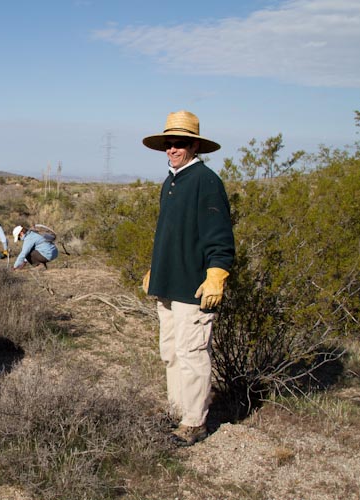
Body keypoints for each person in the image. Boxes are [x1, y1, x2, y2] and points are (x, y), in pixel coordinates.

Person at [141, 110, 235, 446]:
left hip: (193, 286)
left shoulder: (206, 182)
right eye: (168, 143)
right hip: (167, 284)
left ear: (195, 146)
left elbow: (220, 236)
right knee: (171, 352)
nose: (172, 149)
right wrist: (156, 267)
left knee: (192, 353)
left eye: (179, 143)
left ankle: (194, 423)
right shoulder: (172, 181)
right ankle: (177, 413)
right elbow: (169, 233)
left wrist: (216, 275)